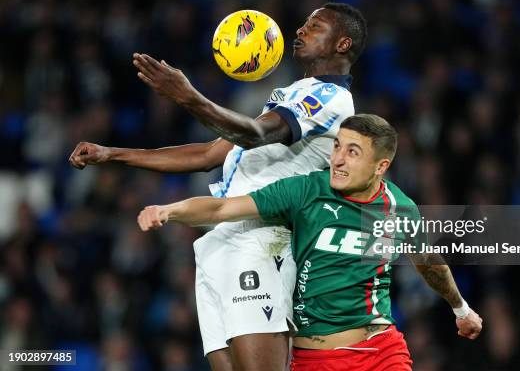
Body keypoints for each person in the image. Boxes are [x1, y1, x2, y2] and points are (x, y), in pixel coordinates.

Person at [69, 2, 368, 371]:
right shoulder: (294, 92)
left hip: (262, 240)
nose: (300, 31)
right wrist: (111, 153)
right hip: (222, 240)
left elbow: (256, 133)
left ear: (342, 44)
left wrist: (187, 96)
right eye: (304, 23)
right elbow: (209, 154)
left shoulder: (330, 99)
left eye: (315, 25)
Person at [137, 114, 484, 371]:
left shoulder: (399, 208)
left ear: (381, 166)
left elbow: (428, 261)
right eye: (336, 146)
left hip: (380, 352)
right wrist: (169, 210)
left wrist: (461, 309)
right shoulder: (306, 190)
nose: (337, 159)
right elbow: (223, 207)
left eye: (352, 152)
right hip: (314, 360)